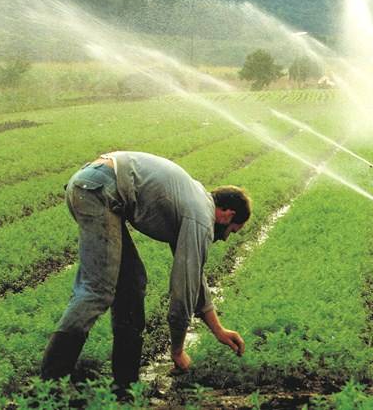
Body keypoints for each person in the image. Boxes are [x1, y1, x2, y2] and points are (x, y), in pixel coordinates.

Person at [40, 151, 251, 394]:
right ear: (228, 215)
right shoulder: (201, 218)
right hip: (98, 191)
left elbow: (195, 277)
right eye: (232, 231)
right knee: (97, 290)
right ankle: (48, 387)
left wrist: (218, 329)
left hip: (94, 184)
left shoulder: (195, 201)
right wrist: (177, 351)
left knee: (131, 282)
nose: (225, 239)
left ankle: (125, 387)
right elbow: (183, 292)